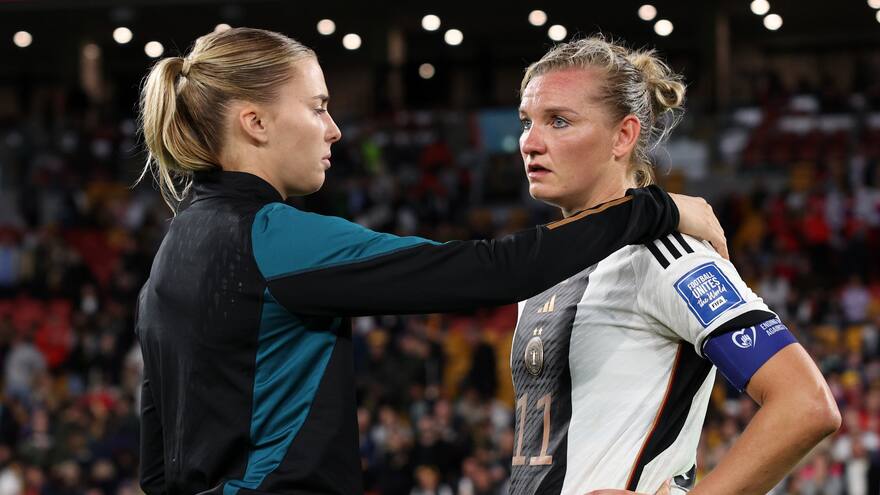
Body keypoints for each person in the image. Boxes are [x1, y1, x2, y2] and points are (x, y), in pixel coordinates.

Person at [134, 27, 725, 495]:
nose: (334, 130)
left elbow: (156, 467)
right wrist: (651, 207)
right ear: (255, 122)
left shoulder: (169, 256)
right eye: (317, 108)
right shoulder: (273, 238)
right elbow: (490, 270)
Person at [508, 36, 841, 495]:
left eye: (559, 121)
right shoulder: (542, 268)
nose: (530, 142)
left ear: (623, 136)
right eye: (527, 122)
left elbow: (805, 403)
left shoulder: (662, 255)